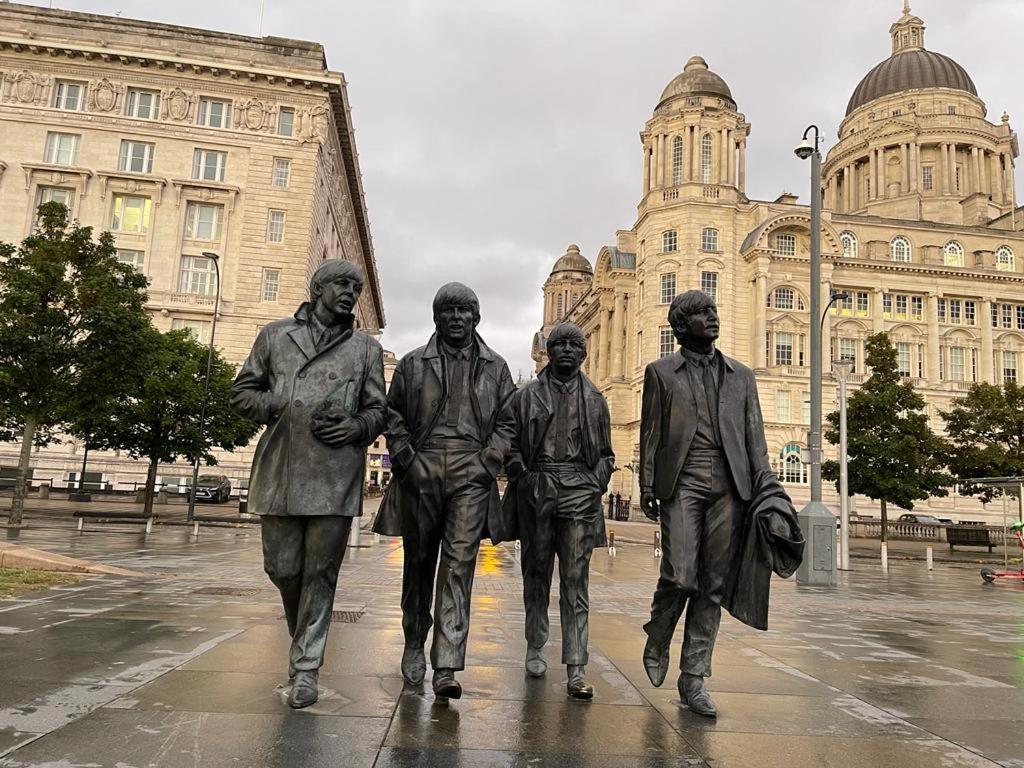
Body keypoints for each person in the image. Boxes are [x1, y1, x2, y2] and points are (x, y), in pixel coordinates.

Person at [230, 259, 386, 709]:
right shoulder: (275, 337)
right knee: (282, 569)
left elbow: (379, 408)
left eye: (355, 289)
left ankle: (305, 668)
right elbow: (241, 393)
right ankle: (303, 643)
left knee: (321, 574)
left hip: (335, 471)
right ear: (318, 288)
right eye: (341, 284)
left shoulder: (364, 349)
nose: (350, 294)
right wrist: (282, 401)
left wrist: (357, 426)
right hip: (281, 465)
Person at [638, 289, 778, 718]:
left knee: (713, 583)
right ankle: (659, 632)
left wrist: (767, 487)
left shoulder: (742, 376)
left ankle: (694, 676)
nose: (712, 318)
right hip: (682, 480)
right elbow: (652, 433)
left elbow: (755, 438)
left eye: (713, 310)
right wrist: (647, 484)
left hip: (731, 486)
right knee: (680, 575)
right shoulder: (661, 372)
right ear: (681, 326)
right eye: (701, 313)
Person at [373, 282, 516, 700]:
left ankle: (447, 663)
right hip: (423, 465)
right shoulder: (414, 364)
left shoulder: (497, 367)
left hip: (472, 471)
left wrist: (490, 460)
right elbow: (392, 414)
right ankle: (414, 641)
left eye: (464, 310)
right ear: (437, 317)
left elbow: (509, 421)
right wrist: (406, 458)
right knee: (418, 563)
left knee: (459, 565)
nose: (457, 317)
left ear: (476, 317)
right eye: (448, 310)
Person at [503, 322, 614, 700]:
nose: (567, 349)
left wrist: (596, 481)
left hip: (579, 491)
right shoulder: (527, 395)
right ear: (548, 351)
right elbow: (511, 443)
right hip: (539, 487)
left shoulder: (597, 399)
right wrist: (522, 474)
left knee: (575, 581)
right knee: (536, 574)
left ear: (584, 354)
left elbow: (607, 454)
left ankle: (576, 665)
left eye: (575, 344)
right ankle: (536, 645)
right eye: (559, 343)